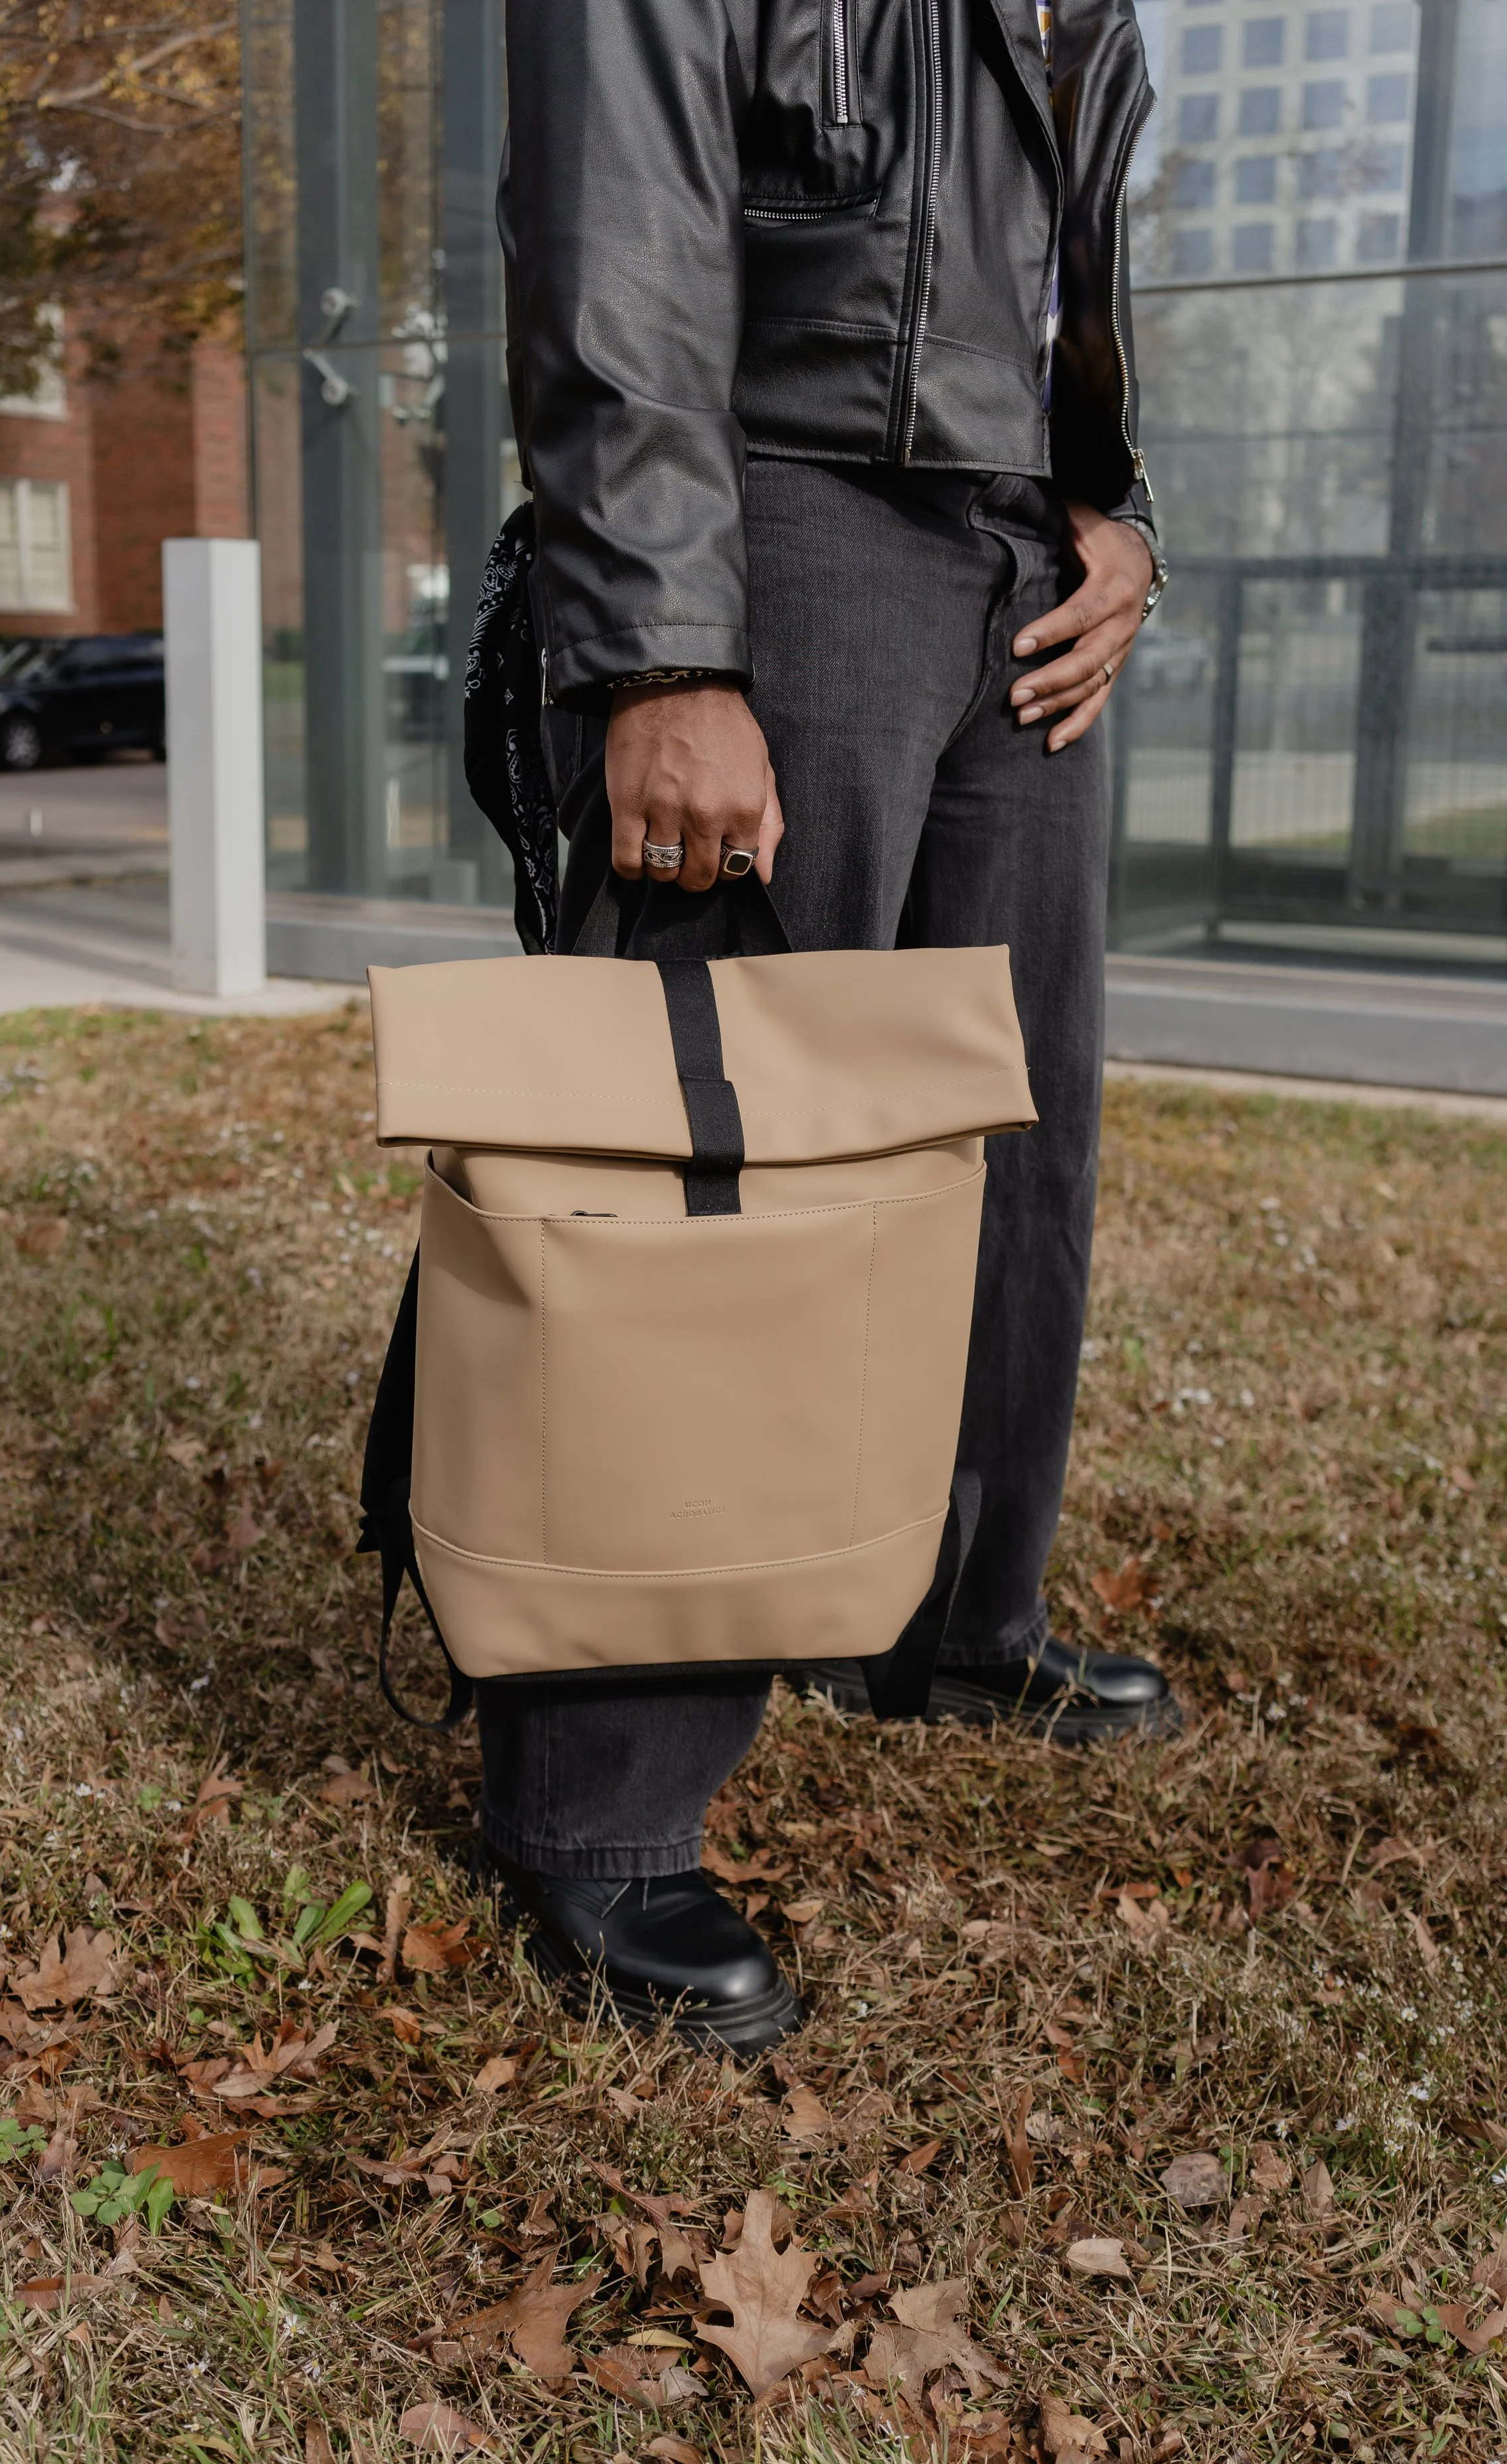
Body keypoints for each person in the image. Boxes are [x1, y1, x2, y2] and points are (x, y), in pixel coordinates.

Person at [471, 0, 1180, 2054]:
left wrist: (1122, 501)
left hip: (1015, 548)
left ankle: (949, 1619)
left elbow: (1068, 246)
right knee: (708, 1181)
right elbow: (616, 231)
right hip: (776, 520)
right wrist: (660, 648)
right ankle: (598, 1806)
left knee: (1010, 1139)